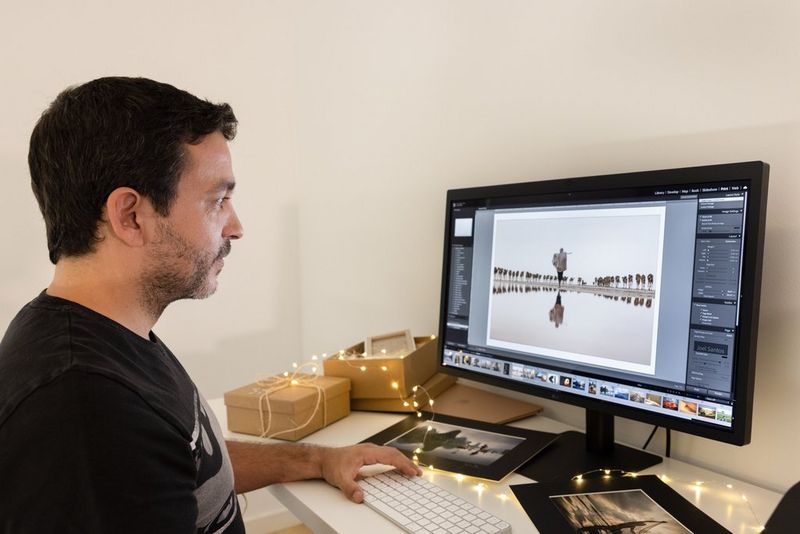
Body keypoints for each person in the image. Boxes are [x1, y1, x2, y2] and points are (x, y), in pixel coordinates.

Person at [0, 77, 420, 533]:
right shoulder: (84, 411)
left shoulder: (109, 340)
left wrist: (317, 460)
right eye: (217, 200)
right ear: (131, 216)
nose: (235, 227)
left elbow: (185, 459)